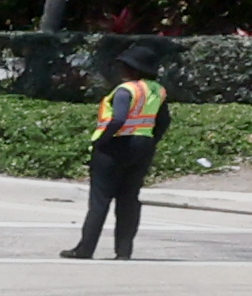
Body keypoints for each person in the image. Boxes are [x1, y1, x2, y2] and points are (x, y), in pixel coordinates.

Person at [63, 49, 172, 261]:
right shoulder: (158, 90)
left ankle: (86, 249)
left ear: (131, 69)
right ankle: (124, 250)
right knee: (129, 199)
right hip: (142, 146)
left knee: (100, 199)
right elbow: (164, 121)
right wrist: (150, 140)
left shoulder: (125, 90)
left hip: (115, 147)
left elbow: (118, 119)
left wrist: (101, 140)